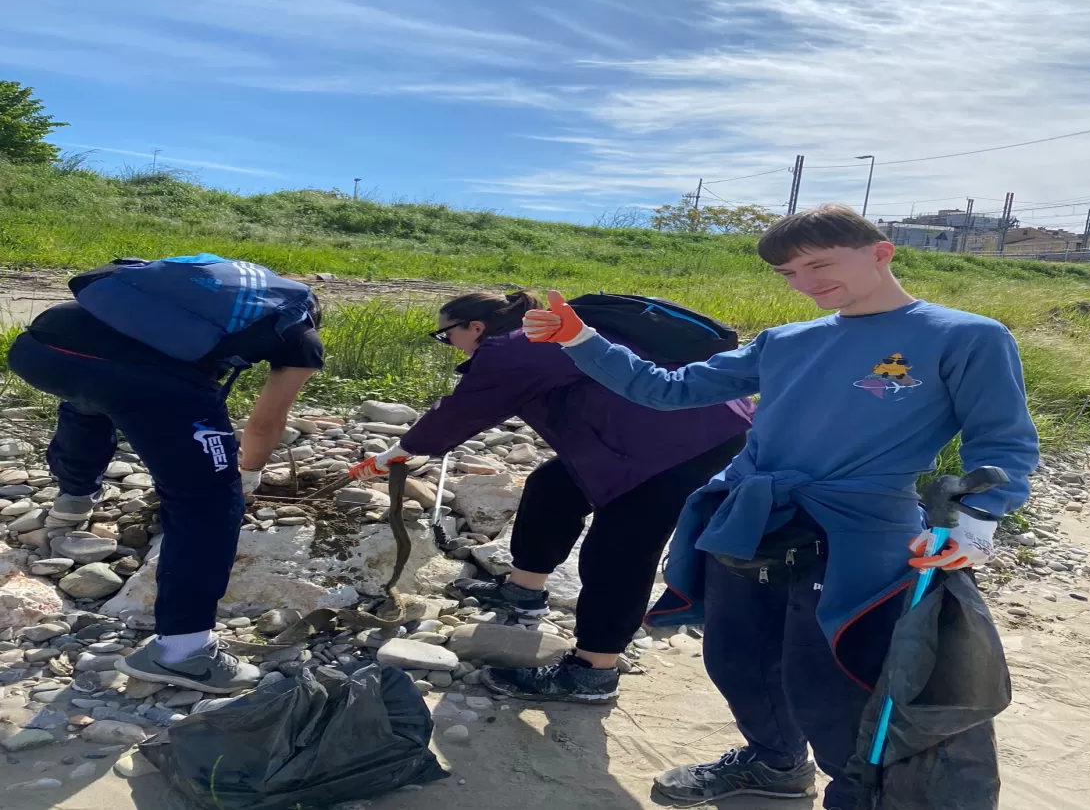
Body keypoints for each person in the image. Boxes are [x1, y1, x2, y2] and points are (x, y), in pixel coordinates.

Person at [521, 204, 1040, 808]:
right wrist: (580, 339)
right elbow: (667, 390)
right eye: (790, 273)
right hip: (752, 516)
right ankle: (774, 764)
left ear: (881, 253)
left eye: (820, 264)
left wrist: (977, 522)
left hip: (860, 529)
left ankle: (861, 796)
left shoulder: (965, 335)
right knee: (738, 657)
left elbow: (1002, 440)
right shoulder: (787, 340)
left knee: (835, 679)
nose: (806, 282)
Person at [349, 289, 751, 704]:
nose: (447, 343)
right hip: (648, 435)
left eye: (445, 334)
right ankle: (524, 589)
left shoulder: (516, 348)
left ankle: (593, 671)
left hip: (689, 443)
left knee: (620, 548)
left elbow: (461, 412)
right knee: (552, 487)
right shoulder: (535, 339)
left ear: (475, 327)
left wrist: (395, 454)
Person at [7, 255, 325, 694]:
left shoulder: (217, 288)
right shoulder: (300, 333)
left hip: (41, 348)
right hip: (140, 377)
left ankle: (73, 501)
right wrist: (245, 473)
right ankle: (183, 651)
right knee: (208, 502)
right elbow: (265, 424)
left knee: (88, 398)